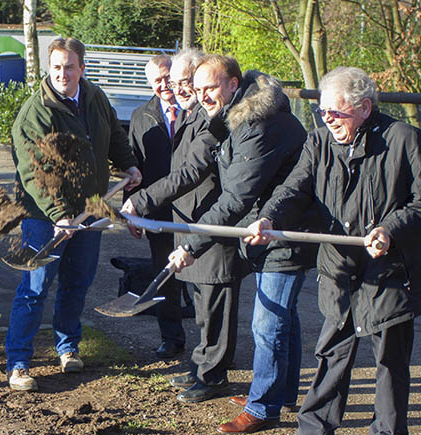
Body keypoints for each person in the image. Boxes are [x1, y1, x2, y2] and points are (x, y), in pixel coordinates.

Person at [247, 67, 421, 435]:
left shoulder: (405, 140)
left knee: (390, 358)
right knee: (332, 350)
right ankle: (315, 434)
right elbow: (293, 188)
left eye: (336, 113)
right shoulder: (319, 141)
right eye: (323, 113)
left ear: (364, 108)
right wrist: (268, 217)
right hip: (339, 265)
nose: (328, 120)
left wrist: (390, 229)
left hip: (391, 269)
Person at [166, 54, 315, 415]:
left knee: (267, 321)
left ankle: (262, 407)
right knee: (284, 319)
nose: (203, 96)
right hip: (266, 231)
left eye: (211, 87)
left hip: (283, 232)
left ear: (233, 84)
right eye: (198, 89)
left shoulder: (257, 124)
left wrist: (190, 243)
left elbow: (236, 197)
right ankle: (282, 394)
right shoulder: (236, 119)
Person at [6, 37, 142, 391]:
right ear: (48, 69)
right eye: (56, 67)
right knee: (35, 288)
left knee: (77, 283)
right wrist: (59, 214)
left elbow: (114, 133)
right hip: (44, 215)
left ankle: (67, 348)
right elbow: (34, 172)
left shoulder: (94, 97)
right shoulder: (36, 113)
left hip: (91, 207)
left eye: (69, 67)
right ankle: (18, 362)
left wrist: (127, 165)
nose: (62, 74)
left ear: (82, 68)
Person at [122, 49, 246, 397]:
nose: (178, 89)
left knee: (215, 303)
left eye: (184, 82)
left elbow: (191, 171)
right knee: (203, 304)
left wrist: (143, 200)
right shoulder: (192, 115)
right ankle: (202, 366)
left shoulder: (210, 120)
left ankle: (213, 375)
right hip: (189, 221)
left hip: (211, 222)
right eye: (174, 83)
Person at [126, 54, 188, 360]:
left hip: (195, 209)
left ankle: (212, 344)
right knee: (165, 276)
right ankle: (171, 337)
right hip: (158, 210)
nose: (164, 85)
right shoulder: (141, 116)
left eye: (167, 77)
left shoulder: (195, 110)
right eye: (157, 81)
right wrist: (134, 212)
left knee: (201, 277)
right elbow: (134, 168)